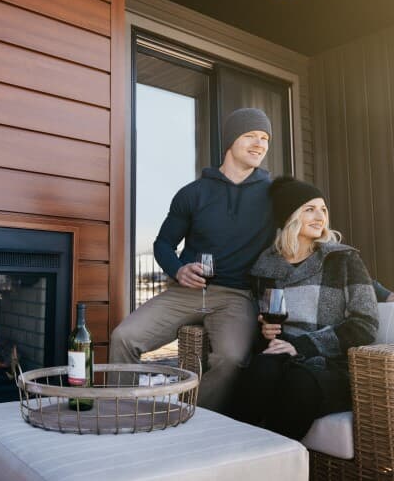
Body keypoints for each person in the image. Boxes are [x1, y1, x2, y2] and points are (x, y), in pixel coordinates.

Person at [110, 108, 275, 412]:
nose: (259, 144)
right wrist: (178, 269)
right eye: (250, 135)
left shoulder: (274, 196)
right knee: (124, 337)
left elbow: (312, 237)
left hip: (235, 296)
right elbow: (163, 244)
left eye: (265, 138)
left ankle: (192, 417)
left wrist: (380, 291)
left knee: (232, 359)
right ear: (230, 140)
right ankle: (121, 414)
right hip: (187, 291)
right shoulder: (193, 193)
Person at [231, 177, 379, 440]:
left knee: (298, 384)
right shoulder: (265, 266)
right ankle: (234, 453)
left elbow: (364, 325)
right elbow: (263, 323)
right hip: (282, 355)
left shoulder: (343, 259)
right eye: (309, 209)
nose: (320, 216)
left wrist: (304, 346)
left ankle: (273, 463)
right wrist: (265, 329)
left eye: (323, 209)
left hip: (332, 364)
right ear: (290, 216)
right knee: (260, 371)